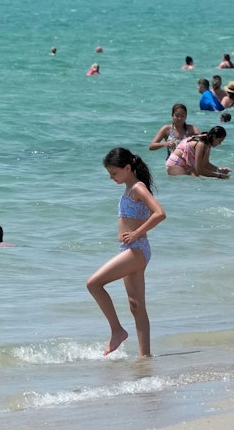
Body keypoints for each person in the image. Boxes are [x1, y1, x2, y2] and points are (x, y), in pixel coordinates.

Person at [87, 148, 166, 357]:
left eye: (114, 173)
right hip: (131, 249)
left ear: (127, 168)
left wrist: (137, 233)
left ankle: (117, 330)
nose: (111, 178)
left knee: (93, 284)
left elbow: (160, 213)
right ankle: (145, 356)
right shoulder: (129, 188)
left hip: (137, 249)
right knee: (136, 305)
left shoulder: (138, 188)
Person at [166, 126, 231, 178]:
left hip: (185, 165)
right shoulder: (201, 144)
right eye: (220, 141)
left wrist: (219, 170)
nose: (220, 144)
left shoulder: (207, 144)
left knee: (197, 182)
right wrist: (218, 176)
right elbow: (199, 170)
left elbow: (205, 164)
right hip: (174, 165)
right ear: (214, 137)